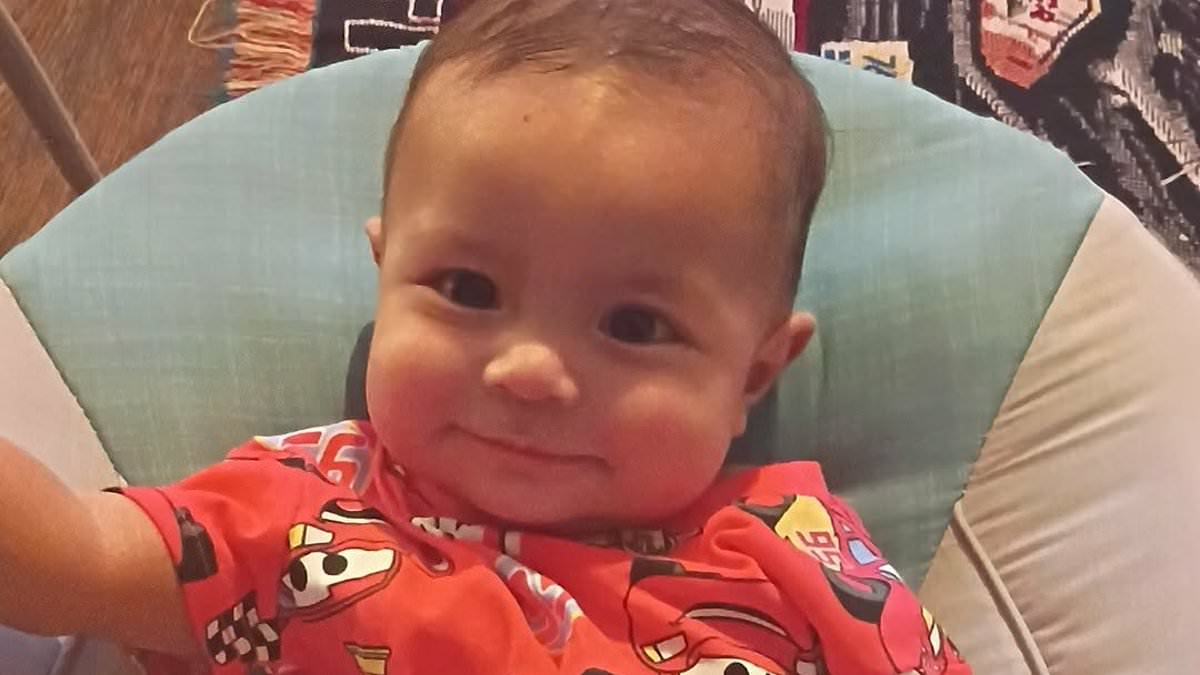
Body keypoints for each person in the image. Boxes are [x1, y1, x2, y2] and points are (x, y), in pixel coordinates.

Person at [0, 0, 970, 673]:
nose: (528, 370)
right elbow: (71, 561)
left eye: (636, 325)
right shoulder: (304, 518)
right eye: (466, 290)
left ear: (754, 373)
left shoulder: (796, 551)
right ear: (384, 272)